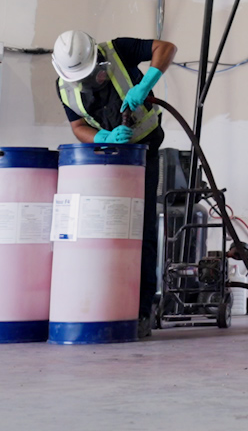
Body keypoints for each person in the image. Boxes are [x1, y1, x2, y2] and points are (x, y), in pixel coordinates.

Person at [52, 30, 176, 339]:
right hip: (103, 161)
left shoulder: (118, 50)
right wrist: (102, 138)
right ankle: (100, 303)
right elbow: (78, 126)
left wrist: (146, 82)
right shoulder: (64, 87)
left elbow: (166, 47)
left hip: (143, 154)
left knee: (142, 231)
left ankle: (140, 311)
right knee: (102, 233)